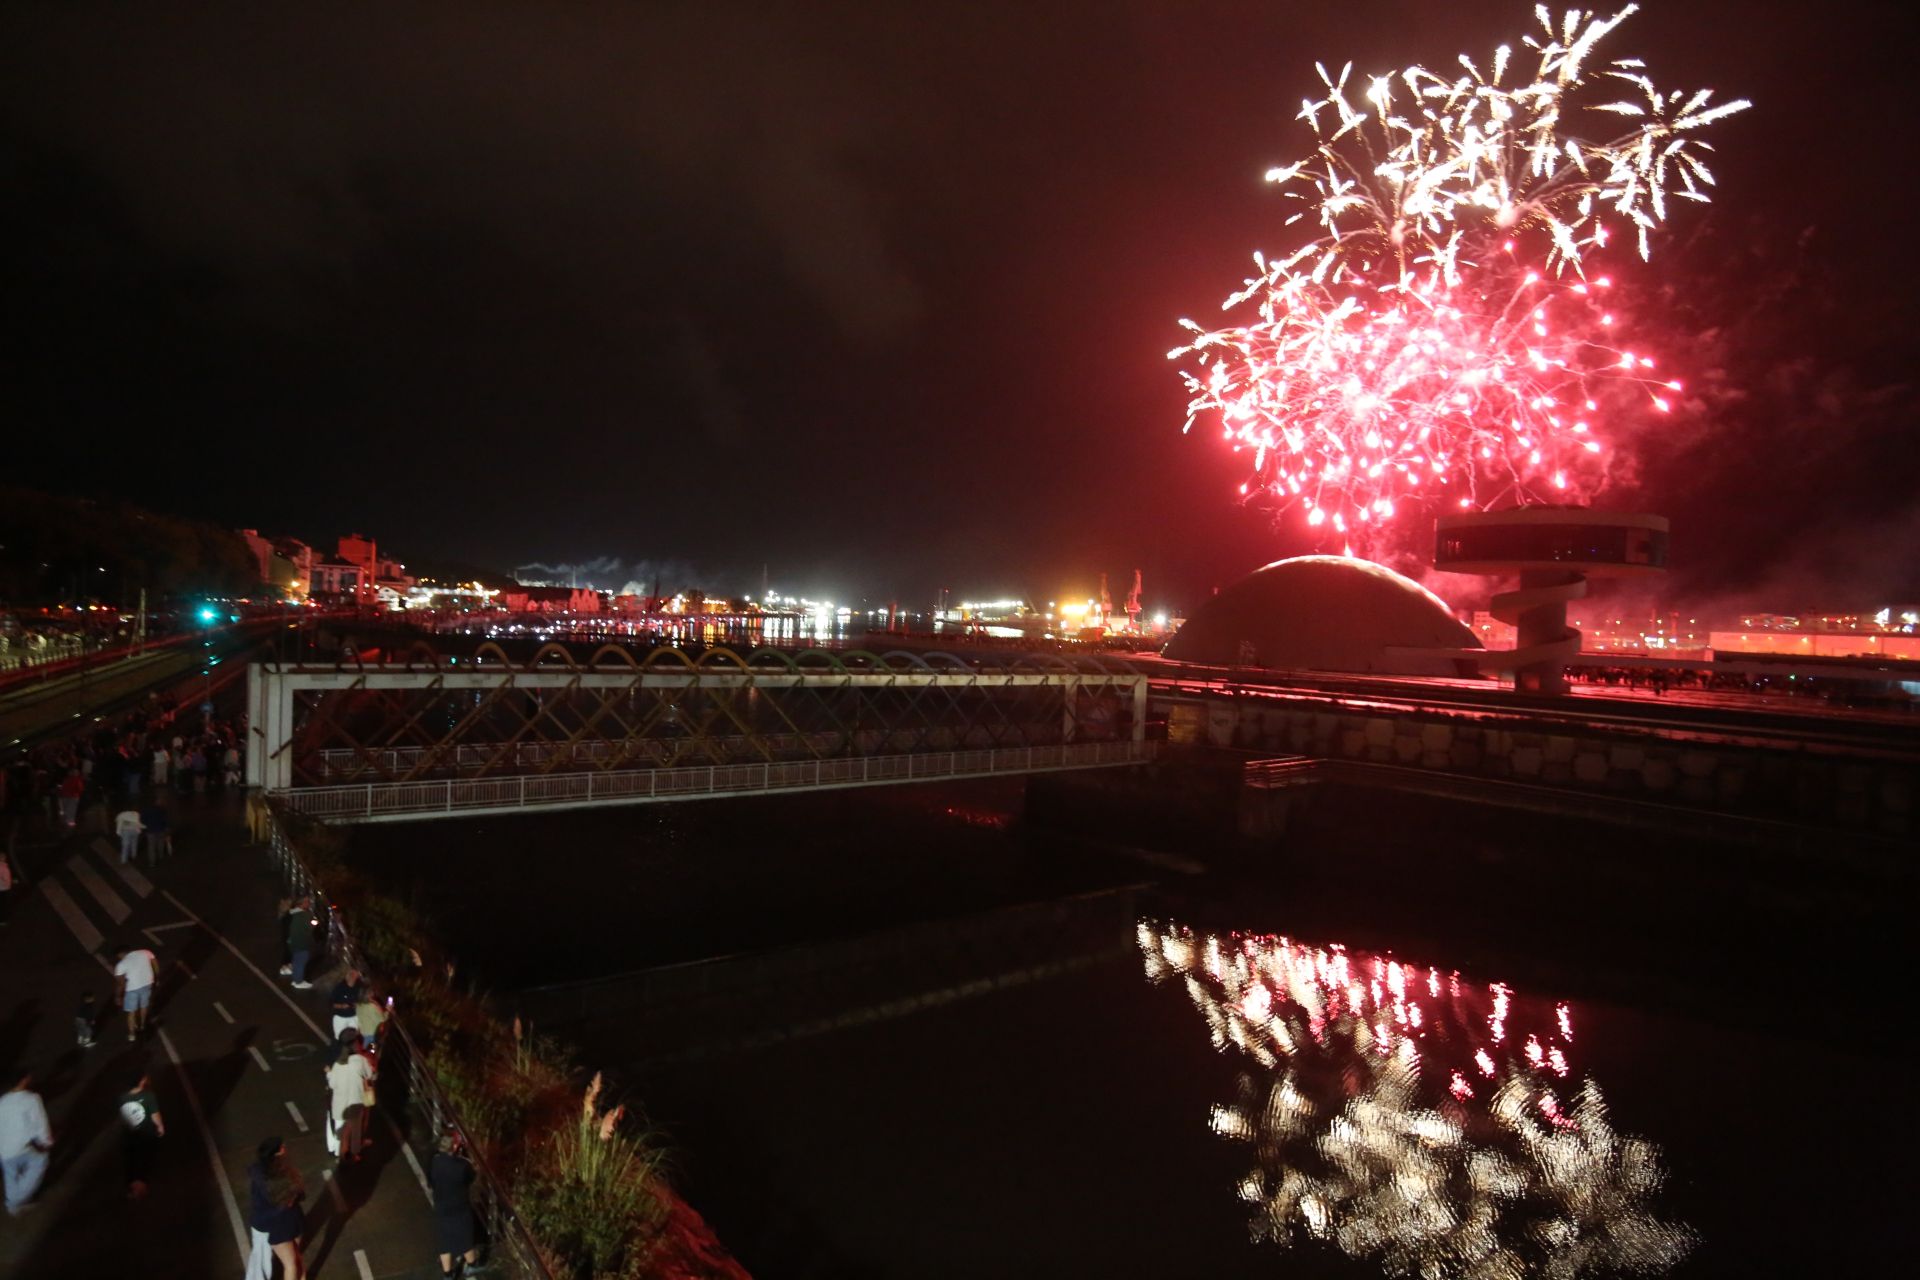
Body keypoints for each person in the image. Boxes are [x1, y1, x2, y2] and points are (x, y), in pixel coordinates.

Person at [430, 1128, 482, 1279]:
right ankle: (472, 1265)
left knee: (444, 1237)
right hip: (459, 1206)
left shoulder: (435, 1161)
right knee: (465, 1235)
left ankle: (448, 1274)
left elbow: (431, 1180)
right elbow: (470, 1179)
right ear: (455, 1147)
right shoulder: (462, 1166)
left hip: (441, 1205)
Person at [0, 1072, 52, 1216]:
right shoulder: (32, 1099)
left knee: (10, 1176)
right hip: (22, 1148)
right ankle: (16, 1201)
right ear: (23, 1080)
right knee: (40, 1161)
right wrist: (46, 1140)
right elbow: (39, 1122)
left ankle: (12, 1206)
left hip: (4, 1151)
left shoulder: (2, 1101)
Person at [117, 1070, 166, 1198]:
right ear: (140, 1081)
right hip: (146, 1134)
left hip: (129, 1135)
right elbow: (155, 1116)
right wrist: (160, 1127)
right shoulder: (149, 1096)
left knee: (131, 1161)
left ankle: (132, 1186)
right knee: (146, 1159)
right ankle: (141, 1185)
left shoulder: (122, 1098)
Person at [325, 1039, 374, 1164]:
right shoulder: (360, 1060)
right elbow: (369, 1074)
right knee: (355, 1130)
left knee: (340, 1130)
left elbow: (332, 1084)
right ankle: (354, 1153)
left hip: (340, 1104)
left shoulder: (337, 1064)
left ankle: (339, 1152)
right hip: (355, 1102)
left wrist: (329, 1073)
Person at [246, 1137, 286, 1280]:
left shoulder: (259, 1170)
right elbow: (273, 1199)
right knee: (263, 1258)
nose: (284, 1150)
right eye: (281, 1148)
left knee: (259, 1254)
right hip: (265, 1221)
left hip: (261, 1219)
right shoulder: (267, 1175)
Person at [264, 1159, 307, 1279]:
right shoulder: (293, 1185)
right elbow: (301, 1195)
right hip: (295, 1220)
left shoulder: (271, 1189)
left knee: (290, 1265)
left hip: (279, 1228)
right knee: (297, 1260)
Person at [114, 943, 158, 1039]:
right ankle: (142, 1025)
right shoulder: (145, 952)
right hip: (147, 984)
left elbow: (121, 983)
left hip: (132, 989)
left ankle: (132, 1034)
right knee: (144, 1006)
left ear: (120, 954)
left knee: (131, 1012)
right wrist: (156, 977)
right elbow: (155, 963)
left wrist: (118, 996)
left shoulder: (121, 964)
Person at [286, 896, 317, 989]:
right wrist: (314, 924)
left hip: (293, 942)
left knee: (296, 961)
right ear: (302, 903)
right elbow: (309, 928)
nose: (309, 903)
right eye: (307, 902)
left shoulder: (291, 914)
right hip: (302, 942)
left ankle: (296, 979)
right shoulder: (304, 915)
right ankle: (298, 981)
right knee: (301, 961)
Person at [329, 969, 364, 1043]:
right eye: (352, 976)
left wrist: (357, 1005)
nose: (354, 978)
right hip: (340, 1017)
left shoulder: (358, 987)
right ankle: (334, 1052)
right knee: (338, 1038)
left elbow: (362, 1000)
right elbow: (331, 1003)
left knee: (353, 1037)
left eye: (355, 976)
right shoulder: (340, 988)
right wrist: (341, 1006)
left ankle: (352, 1050)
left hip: (353, 1016)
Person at [140, 799, 171, 865]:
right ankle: (161, 856)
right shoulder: (162, 810)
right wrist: (167, 830)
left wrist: (146, 826)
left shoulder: (146, 810)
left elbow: (142, 820)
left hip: (150, 831)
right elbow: (166, 821)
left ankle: (152, 862)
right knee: (160, 844)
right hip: (161, 830)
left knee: (151, 846)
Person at [0, 851, 12, 926]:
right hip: (3, 889)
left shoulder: (3, 867)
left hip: (3, 888)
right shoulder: (3, 867)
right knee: (3, 905)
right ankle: (2, 920)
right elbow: (5, 879)